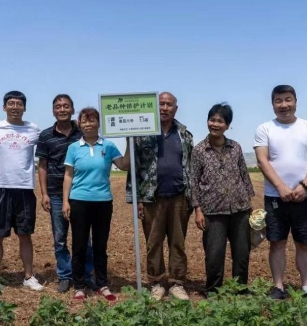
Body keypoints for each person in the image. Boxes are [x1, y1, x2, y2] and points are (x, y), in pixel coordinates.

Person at [253, 85, 307, 299]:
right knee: (277, 243)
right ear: (272, 104)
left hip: (306, 196)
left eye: (288, 99)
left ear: (295, 101)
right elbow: (262, 160)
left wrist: (305, 186)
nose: (283, 105)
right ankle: (278, 287)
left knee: (304, 243)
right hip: (276, 196)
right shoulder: (265, 128)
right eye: (278, 100)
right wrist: (281, 187)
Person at [126, 91, 194, 301]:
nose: (164, 108)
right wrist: (135, 198)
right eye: (161, 104)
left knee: (177, 243)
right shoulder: (142, 132)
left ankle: (176, 284)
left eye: (168, 104)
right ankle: (156, 282)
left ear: (176, 108)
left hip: (179, 197)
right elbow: (134, 168)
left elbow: (191, 166)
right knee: (153, 243)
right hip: (150, 198)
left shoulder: (184, 134)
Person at [62, 107, 130, 301]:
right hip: (79, 201)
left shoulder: (108, 146)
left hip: (103, 202)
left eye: (92, 120)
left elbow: (124, 165)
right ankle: (79, 286)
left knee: (100, 246)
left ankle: (102, 284)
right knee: (79, 246)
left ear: (99, 123)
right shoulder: (74, 148)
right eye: (85, 121)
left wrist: (128, 139)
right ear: (79, 124)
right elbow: (68, 175)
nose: (89, 124)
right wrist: (65, 201)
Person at [191, 103, 255, 296]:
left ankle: (240, 290)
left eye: (220, 121)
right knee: (214, 255)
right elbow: (193, 181)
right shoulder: (200, 150)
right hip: (212, 211)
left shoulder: (235, 147)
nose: (215, 124)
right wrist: (197, 209)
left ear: (228, 125)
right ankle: (213, 291)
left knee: (242, 253)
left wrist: (250, 203)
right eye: (212, 120)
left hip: (239, 208)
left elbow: (244, 174)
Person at [35, 94, 96, 293]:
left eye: (66, 106)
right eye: (58, 106)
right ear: (53, 111)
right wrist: (43, 194)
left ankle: (87, 274)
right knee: (60, 238)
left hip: (80, 193)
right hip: (55, 193)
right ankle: (64, 275)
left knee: (84, 238)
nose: (62, 109)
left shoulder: (82, 132)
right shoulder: (45, 135)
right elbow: (42, 166)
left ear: (72, 109)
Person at [0, 91, 43, 291]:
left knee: (25, 234)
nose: (15, 107)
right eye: (11, 103)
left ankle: (28, 276)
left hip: (25, 188)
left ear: (24, 108)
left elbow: (47, 149)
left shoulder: (33, 129)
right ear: (4, 107)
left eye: (19, 104)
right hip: (0, 187)